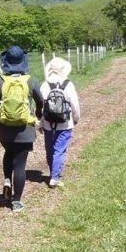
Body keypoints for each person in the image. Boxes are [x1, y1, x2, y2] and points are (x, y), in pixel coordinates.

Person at [0, 45, 44, 212]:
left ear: (6, 62)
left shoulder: (0, 81)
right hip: (25, 129)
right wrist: (37, 113)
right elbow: (41, 102)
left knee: (9, 152)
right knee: (20, 164)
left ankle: (7, 179)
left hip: (4, 129)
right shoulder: (31, 81)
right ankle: (16, 201)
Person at [39, 57, 81, 188]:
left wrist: (40, 123)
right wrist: (75, 118)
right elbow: (75, 104)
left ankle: (53, 172)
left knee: (50, 148)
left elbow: (41, 106)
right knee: (60, 149)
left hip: (47, 123)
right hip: (65, 123)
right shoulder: (68, 84)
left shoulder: (45, 84)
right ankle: (55, 177)